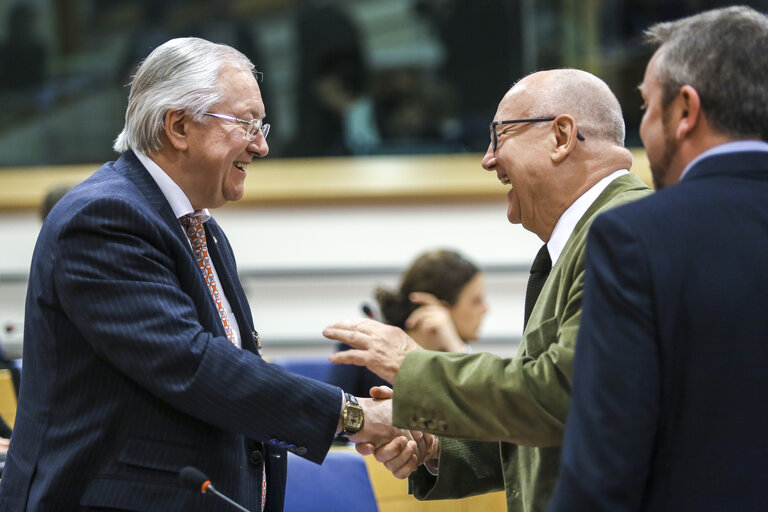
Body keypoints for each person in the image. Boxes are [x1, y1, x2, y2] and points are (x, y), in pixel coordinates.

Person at [0, 37, 412, 512]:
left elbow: (233, 368)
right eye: (247, 124)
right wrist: (354, 414)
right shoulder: (104, 218)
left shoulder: (197, 226)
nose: (262, 144)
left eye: (263, 124)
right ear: (178, 126)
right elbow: (192, 364)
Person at [323, 68, 652, 512]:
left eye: (500, 135)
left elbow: (563, 395)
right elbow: (559, 424)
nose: (488, 159)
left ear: (561, 136)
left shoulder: (621, 234)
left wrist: (412, 365)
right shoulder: (594, 236)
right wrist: (440, 447)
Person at [548, 7, 768, 512]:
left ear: (685, 111)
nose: (641, 131)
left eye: (646, 107)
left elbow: (603, 468)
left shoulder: (635, 239)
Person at [328, 249, 489, 396]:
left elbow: (484, 414)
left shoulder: (453, 359)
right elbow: (328, 419)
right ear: (438, 307)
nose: (486, 309)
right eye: (476, 301)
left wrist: (456, 348)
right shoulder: (366, 347)